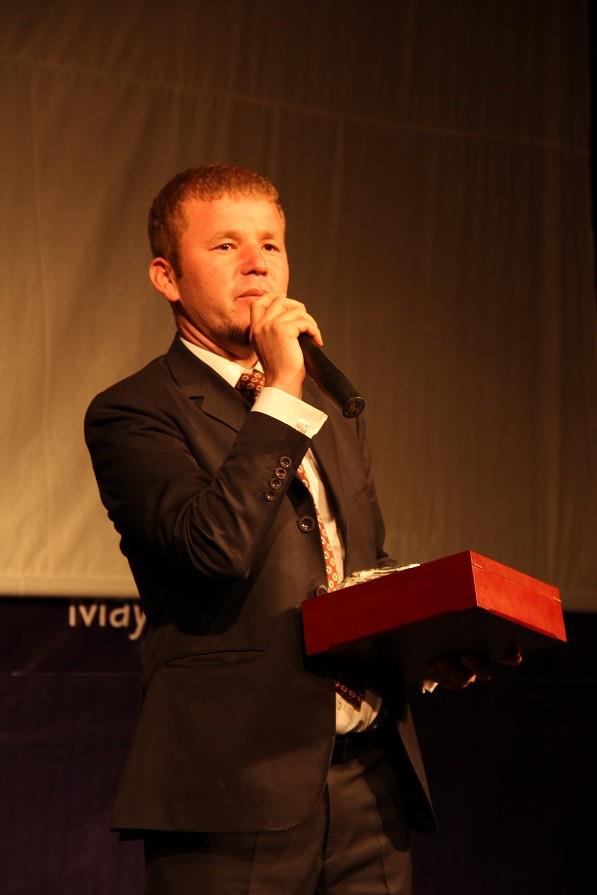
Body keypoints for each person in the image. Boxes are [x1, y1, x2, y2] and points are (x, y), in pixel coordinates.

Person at [84, 164, 499, 894]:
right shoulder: (136, 411)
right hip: (235, 788)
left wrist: (427, 642)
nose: (256, 264)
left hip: (370, 785)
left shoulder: (325, 409)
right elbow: (211, 549)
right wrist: (279, 387)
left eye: (270, 245)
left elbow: (356, 565)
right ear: (166, 277)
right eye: (226, 246)